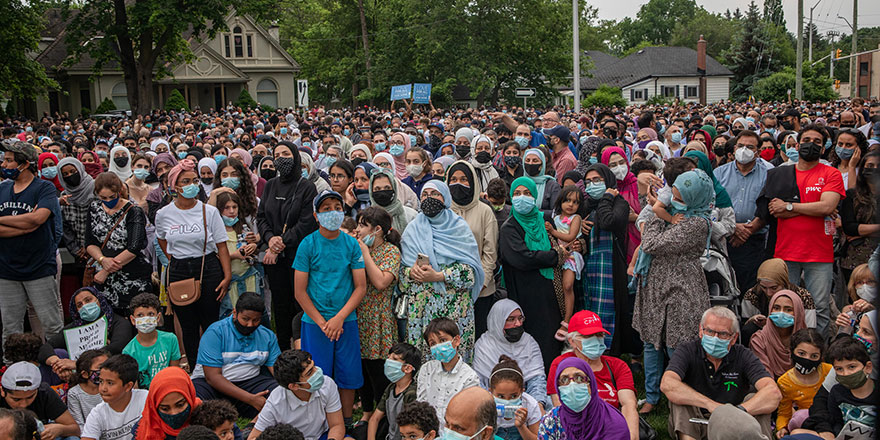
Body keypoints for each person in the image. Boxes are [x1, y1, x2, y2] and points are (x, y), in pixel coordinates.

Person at [634, 169, 714, 414]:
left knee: (676, 345)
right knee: (651, 342)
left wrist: (659, 212)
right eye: (672, 194)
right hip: (654, 286)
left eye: (678, 196)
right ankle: (651, 396)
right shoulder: (673, 213)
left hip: (682, 289)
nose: (673, 199)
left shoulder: (698, 223)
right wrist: (659, 207)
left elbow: (650, 243)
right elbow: (646, 231)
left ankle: (681, 398)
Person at [754, 125, 844, 337]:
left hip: (819, 254)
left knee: (819, 306)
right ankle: (787, 349)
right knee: (784, 306)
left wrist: (790, 207)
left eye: (817, 142)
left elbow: (827, 207)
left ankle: (816, 349)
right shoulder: (780, 174)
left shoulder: (831, 173)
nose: (810, 145)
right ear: (797, 144)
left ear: (823, 149)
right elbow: (774, 209)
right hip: (785, 251)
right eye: (806, 140)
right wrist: (813, 209)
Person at [293, 190, 366, 427]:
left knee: (348, 375)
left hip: (346, 321)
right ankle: (320, 422)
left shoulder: (351, 244)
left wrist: (339, 318)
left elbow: (360, 287)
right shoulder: (308, 244)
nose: (332, 212)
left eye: (337, 207)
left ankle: (344, 422)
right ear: (316, 215)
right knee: (316, 376)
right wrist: (323, 322)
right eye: (326, 209)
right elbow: (300, 291)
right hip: (315, 324)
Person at [661, 306, 781, 440]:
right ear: (701, 331)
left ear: (734, 338)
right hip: (697, 420)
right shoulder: (687, 350)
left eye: (723, 334)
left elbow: (773, 393)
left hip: (735, 424)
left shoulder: (743, 355)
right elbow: (668, 383)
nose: (715, 338)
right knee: (679, 397)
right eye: (710, 331)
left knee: (758, 399)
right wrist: (711, 406)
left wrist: (735, 412)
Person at [156, 159, 232, 361]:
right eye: (186, 181)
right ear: (175, 186)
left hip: (208, 267)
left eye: (195, 180)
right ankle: (194, 366)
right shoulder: (164, 214)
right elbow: (162, 239)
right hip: (179, 269)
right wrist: (176, 258)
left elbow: (222, 245)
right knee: (188, 326)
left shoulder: (209, 211)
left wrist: (227, 275)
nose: (192, 185)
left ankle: (214, 365)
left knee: (210, 323)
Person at [399, 181, 483, 360]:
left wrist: (438, 276)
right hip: (421, 310)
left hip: (454, 308)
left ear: (445, 197)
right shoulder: (413, 229)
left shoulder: (459, 229)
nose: (429, 198)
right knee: (424, 361)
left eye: (435, 194)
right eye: (425, 194)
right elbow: (402, 272)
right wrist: (411, 273)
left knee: (454, 359)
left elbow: (470, 273)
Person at [0, 140, 63, 347]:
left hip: (39, 267)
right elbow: (30, 221)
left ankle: (59, 369)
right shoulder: (3, 188)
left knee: (52, 326)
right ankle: (10, 372)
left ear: (24, 163)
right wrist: (25, 225)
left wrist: (31, 221)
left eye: (9, 161)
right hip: (7, 270)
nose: (4, 165)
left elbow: (38, 219)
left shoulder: (44, 188)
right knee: (10, 328)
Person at [257, 141, 318, 351]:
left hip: (297, 256)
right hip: (274, 260)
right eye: (277, 154)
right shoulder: (271, 185)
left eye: (286, 154)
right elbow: (262, 216)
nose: (281, 158)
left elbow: (306, 222)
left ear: (296, 157)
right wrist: (269, 239)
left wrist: (280, 243)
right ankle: (282, 350)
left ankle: (302, 348)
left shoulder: (307, 187)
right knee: (280, 305)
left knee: (299, 303)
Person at [499, 176, 565, 370]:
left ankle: (552, 376)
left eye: (527, 193)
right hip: (524, 291)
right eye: (517, 193)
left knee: (551, 334)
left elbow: (562, 240)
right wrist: (555, 255)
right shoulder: (509, 227)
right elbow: (522, 258)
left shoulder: (544, 220)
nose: (522, 198)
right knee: (531, 336)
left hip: (550, 290)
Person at [545, 310, 638, 438]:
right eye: (588, 336)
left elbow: (628, 405)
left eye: (599, 334)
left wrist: (631, 436)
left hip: (610, 428)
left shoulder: (617, 366)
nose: (596, 340)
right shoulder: (561, 366)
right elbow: (561, 406)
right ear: (572, 341)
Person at [191, 292, 280, 419]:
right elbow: (212, 377)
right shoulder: (215, 332)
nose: (250, 324)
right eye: (245, 319)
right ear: (234, 313)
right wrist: (250, 399)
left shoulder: (267, 336)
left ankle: (253, 426)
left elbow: (278, 372)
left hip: (249, 382)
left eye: (256, 320)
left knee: (280, 392)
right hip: (212, 385)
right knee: (196, 401)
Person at [354, 207, 402, 422]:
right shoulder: (356, 248)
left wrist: (364, 253)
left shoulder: (391, 251)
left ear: (378, 229)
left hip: (378, 318)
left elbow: (381, 282)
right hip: (357, 315)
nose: (358, 230)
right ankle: (366, 413)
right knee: (361, 368)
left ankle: (382, 415)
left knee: (378, 370)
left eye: (363, 225)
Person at [714, 130, 774, 292]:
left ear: (758, 152)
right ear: (734, 149)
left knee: (750, 289)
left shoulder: (769, 173)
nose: (744, 150)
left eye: (750, 147)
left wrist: (748, 230)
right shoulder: (719, 173)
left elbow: (768, 207)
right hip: (725, 239)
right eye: (740, 146)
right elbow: (712, 206)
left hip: (754, 240)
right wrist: (733, 228)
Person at [581, 163, 631, 351]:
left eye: (597, 180)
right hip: (589, 268)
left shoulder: (620, 204)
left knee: (607, 313)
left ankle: (607, 353)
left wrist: (606, 198)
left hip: (609, 269)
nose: (592, 185)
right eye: (588, 182)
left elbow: (609, 221)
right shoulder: (585, 206)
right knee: (588, 310)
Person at [86, 172, 152, 313]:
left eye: (112, 196)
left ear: (119, 192)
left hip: (131, 275)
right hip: (103, 277)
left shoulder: (133, 211)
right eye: (103, 197)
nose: (108, 200)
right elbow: (90, 242)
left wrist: (106, 269)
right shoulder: (94, 208)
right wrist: (102, 259)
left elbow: (134, 247)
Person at [446, 160, 498, 338]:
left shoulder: (484, 211)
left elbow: (490, 252)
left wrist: (482, 282)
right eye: (453, 179)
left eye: (463, 179)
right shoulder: (444, 212)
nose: (458, 184)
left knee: (477, 336)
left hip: (480, 289)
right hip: (449, 288)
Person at [39, 287, 134, 382]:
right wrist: (58, 364)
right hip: (75, 373)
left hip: (109, 370)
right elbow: (45, 348)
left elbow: (117, 347)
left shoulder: (117, 322)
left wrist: (77, 364)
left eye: (88, 300)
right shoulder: (74, 327)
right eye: (79, 305)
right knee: (58, 353)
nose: (85, 306)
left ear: (99, 299)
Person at [247, 349, 345, 440]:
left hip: (323, 435)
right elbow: (253, 437)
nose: (317, 372)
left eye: (314, 366)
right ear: (294, 386)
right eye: (310, 372)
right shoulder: (275, 402)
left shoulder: (327, 384)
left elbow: (337, 425)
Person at [473, 300, 548, 410]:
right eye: (511, 319)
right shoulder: (484, 345)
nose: (517, 324)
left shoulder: (528, 342)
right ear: (498, 321)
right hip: (492, 407)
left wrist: (537, 407)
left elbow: (537, 380)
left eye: (520, 318)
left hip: (526, 404)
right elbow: (479, 382)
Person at [799, 337, 877, 439]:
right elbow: (836, 421)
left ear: (868, 367)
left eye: (852, 367)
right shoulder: (837, 392)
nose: (846, 374)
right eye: (839, 369)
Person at [537, 357, 630, 440]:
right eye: (564, 380)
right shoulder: (551, 421)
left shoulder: (613, 422)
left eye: (579, 378)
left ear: (591, 384)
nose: (572, 385)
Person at [416, 318, 479, 427]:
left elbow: (467, 413)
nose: (438, 346)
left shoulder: (469, 377)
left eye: (443, 340)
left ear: (456, 340)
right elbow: (421, 405)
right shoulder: (426, 369)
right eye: (433, 343)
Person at [742, 258, 817, 346]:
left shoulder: (803, 297)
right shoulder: (753, 295)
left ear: (784, 283)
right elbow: (745, 324)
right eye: (764, 287)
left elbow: (810, 329)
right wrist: (753, 320)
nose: (768, 293)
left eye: (774, 288)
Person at [212, 191, 262, 317]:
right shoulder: (217, 231)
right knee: (232, 314)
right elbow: (215, 257)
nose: (231, 211)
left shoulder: (243, 227)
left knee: (252, 310)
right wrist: (234, 255)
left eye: (234, 207)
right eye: (226, 208)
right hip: (231, 281)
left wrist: (253, 245)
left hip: (248, 277)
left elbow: (254, 250)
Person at [0, 361, 79, 439]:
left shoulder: (45, 393)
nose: (23, 404)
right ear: (2, 391)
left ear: (37, 390)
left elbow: (75, 429)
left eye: (29, 397)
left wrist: (60, 429)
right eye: (16, 399)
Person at [775, 329, 832, 438]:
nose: (807, 359)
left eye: (814, 356)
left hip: (829, 416)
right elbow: (784, 411)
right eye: (801, 353)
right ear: (792, 352)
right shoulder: (785, 382)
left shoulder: (829, 371)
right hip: (805, 421)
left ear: (821, 357)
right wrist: (781, 427)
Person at [81, 354, 149, 440]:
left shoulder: (145, 399)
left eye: (110, 383)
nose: (103, 388)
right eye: (101, 381)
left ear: (128, 386)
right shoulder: (97, 414)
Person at [123, 293, 181, 388]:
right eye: (140, 315)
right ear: (133, 320)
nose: (145, 319)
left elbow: (174, 373)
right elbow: (135, 387)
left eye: (150, 314)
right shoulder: (129, 351)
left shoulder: (170, 339)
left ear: (158, 317)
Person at [838, 151, 880, 284]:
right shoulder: (852, 195)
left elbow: (857, 229)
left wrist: (863, 231)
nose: (874, 169)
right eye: (870, 165)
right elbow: (850, 228)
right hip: (855, 258)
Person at [366, 343, 421, 440]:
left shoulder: (411, 393)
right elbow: (374, 419)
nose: (388, 362)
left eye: (394, 359)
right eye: (389, 357)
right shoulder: (391, 388)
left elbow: (411, 430)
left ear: (408, 368)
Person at [749, 290, 807, 379]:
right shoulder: (759, 340)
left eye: (788, 310)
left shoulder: (808, 340)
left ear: (798, 312)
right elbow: (764, 375)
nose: (781, 313)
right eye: (776, 308)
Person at [133, 366, 203, 440]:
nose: (174, 413)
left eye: (180, 405)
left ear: (190, 398)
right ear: (154, 407)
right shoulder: (143, 430)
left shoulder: (205, 418)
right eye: (165, 409)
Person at [488, 357, 542, 440]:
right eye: (501, 396)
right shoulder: (484, 404)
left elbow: (538, 438)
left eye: (513, 396)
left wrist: (521, 427)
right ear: (490, 391)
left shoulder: (530, 405)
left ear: (522, 391)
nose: (507, 401)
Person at [57, 157, 96, 267]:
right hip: (80, 254)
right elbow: (65, 227)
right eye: (65, 174)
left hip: (101, 250)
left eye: (73, 171)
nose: (70, 176)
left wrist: (90, 247)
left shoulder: (96, 189)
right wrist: (76, 249)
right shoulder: (65, 196)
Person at [67, 349, 109, 431]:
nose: (106, 370)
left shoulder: (110, 388)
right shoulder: (74, 393)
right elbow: (79, 424)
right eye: (101, 367)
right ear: (85, 374)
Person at [370, 169, 416, 233]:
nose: (382, 192)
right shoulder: (367, 218)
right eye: (377, 189)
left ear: (394, 189)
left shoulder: (410, 215)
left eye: (387, 188)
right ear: (371, 191)